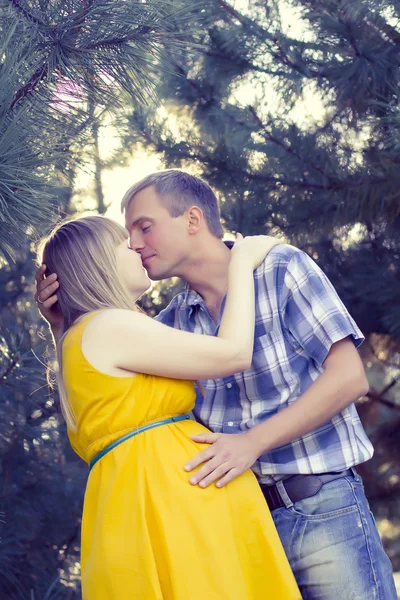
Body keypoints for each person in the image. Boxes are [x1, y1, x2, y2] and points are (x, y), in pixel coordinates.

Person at [36, 169, 397, 600]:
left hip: (320, 506)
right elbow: (105, 397)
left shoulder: (280, 268)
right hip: (232, 523)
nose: (134, 242)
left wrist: (252, 443)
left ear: (192, 220)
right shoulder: (167, 323)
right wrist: (64, 324)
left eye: (143, 227)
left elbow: (350, 377)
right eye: (126, 235)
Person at [36, 215, 301, 600]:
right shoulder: (109, 325)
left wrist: (58, 326)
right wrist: (240, 264)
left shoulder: (82, 335)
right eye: (126, 245)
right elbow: (232, 353)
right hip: (170, 507)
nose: (138, 249)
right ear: (99, 263)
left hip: (155, 501)